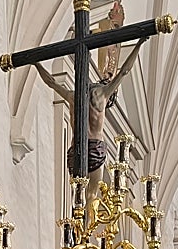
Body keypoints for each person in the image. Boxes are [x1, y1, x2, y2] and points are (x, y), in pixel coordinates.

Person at [33, 39, 146, 207]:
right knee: (91, 195)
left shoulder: (73, 96)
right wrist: (139, 44)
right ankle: (84, 231)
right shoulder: (101, 95)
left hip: (76, 150)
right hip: (94, 148)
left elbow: (51, 82)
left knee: (76, 196)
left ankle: (77, 228)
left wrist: (36, 63)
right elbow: (124, 71)